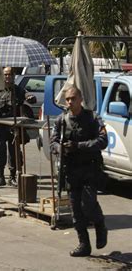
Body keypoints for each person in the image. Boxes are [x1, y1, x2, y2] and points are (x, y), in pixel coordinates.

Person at [50, 86, 108, 257]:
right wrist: (61, 148)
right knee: (76, 209)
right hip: (71, 169)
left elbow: (102, 140)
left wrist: (79, 146)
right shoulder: (62, 120)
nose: (69, 102)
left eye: (73, 99)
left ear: (80, 99)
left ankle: (100, 225)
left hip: (90, 168)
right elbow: (53, 142)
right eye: (67, 99)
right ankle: (84, 244)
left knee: (88, 205)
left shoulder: (92, 118)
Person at [0, 67, 35, 187]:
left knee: (15, 152)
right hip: (0, 126)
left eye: (10, 75)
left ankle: (13, 177)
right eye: (6, 75)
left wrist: (30, 98)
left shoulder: (18, 90)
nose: (8, 77)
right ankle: (0, 176)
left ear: (14, 76)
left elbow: (29, 97)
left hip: (14, 127)